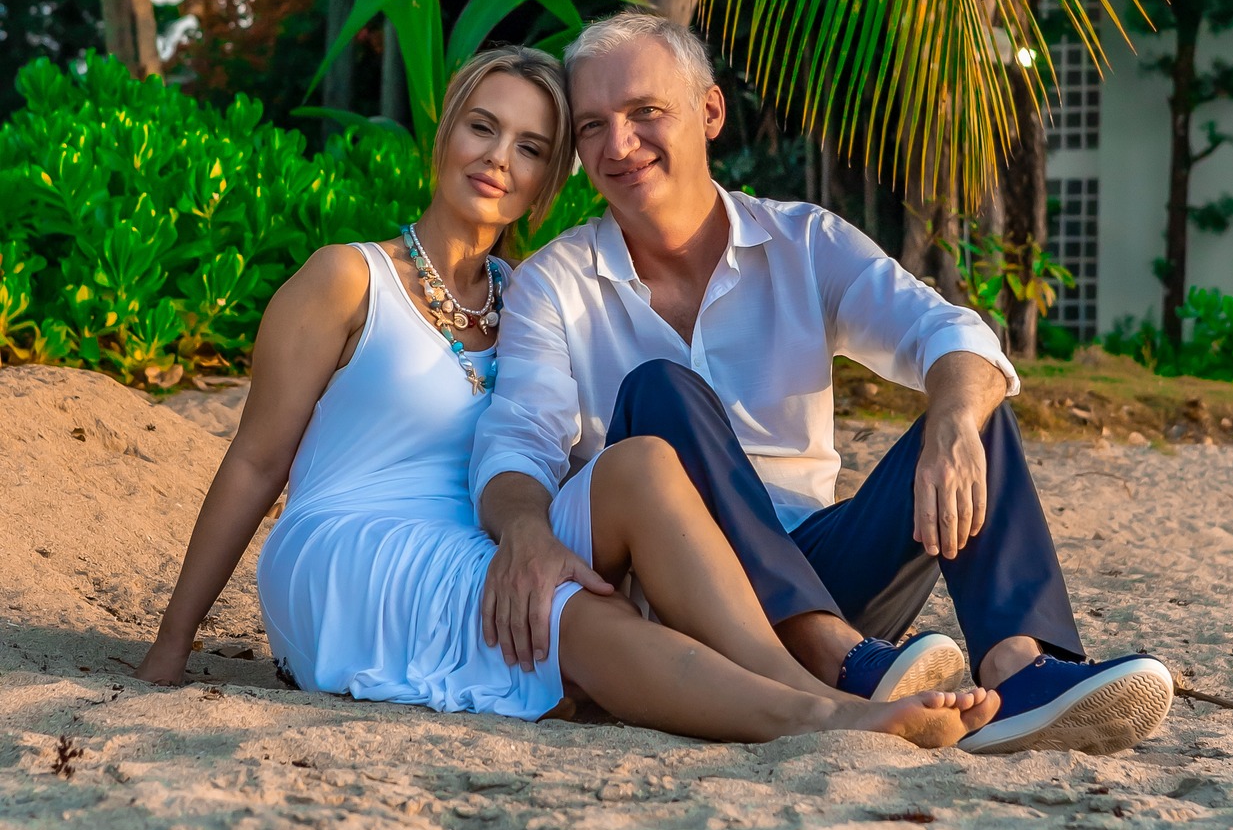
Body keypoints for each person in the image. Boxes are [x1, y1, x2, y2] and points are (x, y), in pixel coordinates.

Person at [133, 45, 998, 750]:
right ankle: (821, 714)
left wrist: (549, 531)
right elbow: (255, 463)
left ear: (550, 178)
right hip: (357, 544)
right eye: (481, 127)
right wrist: (172, 646)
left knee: (641, 465)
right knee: (562, 606)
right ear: (445, 134)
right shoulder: (346, 279)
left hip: (490, 533)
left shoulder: (536, 296)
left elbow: (558, 449)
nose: (496, 159)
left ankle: (803, 679)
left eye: (530, 147)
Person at [470, 13, 1174, 757]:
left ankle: (1018, 671)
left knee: (976, 407)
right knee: (658, 391)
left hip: (827, 572)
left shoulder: (803, 242)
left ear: (710, 111)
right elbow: (517, 444)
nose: (619, 145)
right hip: (688, 602)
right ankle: (826, 650)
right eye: (592, 126)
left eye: (645, 111)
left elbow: (947, 330)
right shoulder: (555, 284)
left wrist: (952, 421)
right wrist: (524, 531)